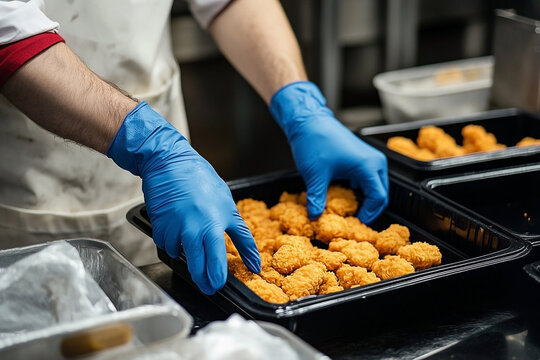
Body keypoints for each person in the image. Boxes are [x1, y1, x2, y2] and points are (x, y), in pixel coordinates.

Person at [0, 0, 389, 295]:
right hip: (32, 167)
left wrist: (301, 104)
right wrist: (152, 146)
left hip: (168, 153)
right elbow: (10, 34)